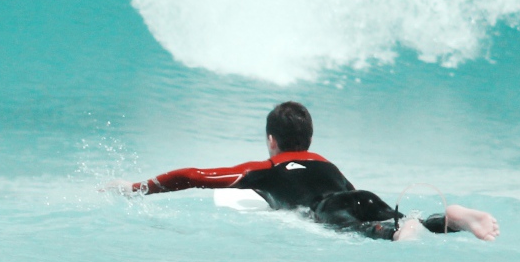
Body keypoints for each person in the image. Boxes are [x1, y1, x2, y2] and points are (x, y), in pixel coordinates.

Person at [113, 101, 499, 242]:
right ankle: (450, 219)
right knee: (395, 218)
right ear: (309, 138)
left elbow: (193, 175)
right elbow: (351, 194)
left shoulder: (263, 169)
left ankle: (402, 233)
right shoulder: (327, 163)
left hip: (328, 208)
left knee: (364, 232)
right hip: (360, 196)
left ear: (271, 141)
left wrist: (137, 187)